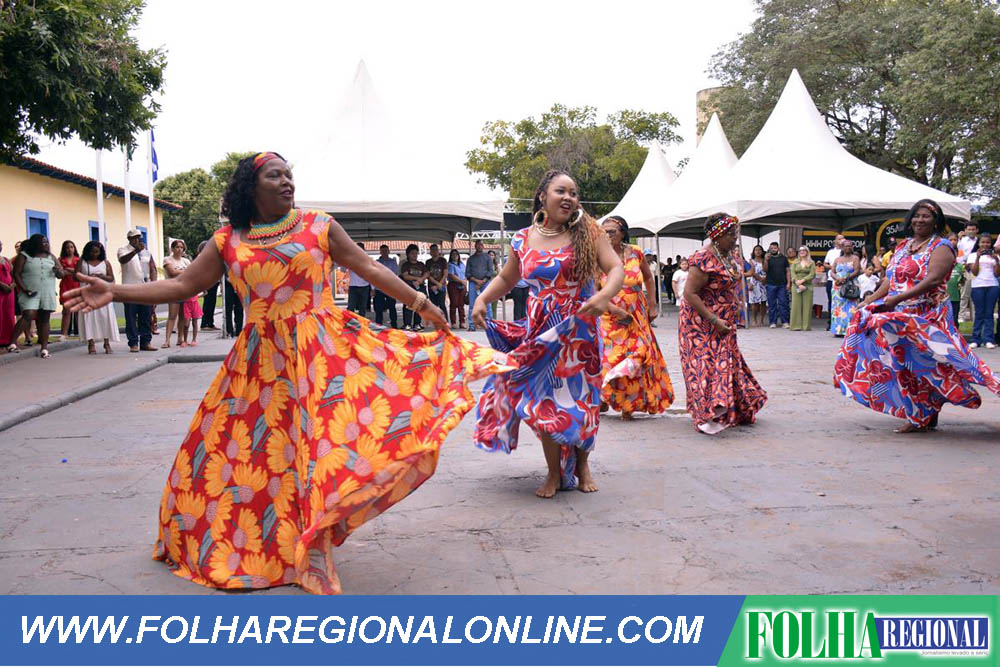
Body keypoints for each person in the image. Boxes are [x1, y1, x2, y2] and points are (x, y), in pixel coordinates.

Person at [65, 151, 510, 594]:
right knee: (253, 456)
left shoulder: (318, 225)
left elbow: (369, 266)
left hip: (321, 356)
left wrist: (421, 303)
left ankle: (314, 543)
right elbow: (183, 285)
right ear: (251, 187)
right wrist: (116, 291)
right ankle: (262, 542)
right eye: (275, 176)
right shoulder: (227, 241)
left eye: (289, 175)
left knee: (318, 450)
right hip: (258, 365)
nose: (286, 182)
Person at [472, 169, 624, 498]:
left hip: (580, 331)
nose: (568, 197)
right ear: (543, 196)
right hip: (540, 331)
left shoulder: (589, 231)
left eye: (573, 193)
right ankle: (554, 472)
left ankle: (583, 465)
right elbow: (508, 279)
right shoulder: (522, 238)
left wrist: (604, 296)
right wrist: (483, 298)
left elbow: (615, 267)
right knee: (544, 401)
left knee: (582, 400)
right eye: (561, 191)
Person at [835, 199, 1000, 433]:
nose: (920, 220)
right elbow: (891, 279)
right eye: (916, 215)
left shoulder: (941, 246)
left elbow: (933, 280)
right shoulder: (904, 246)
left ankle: (929, 410)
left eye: (926, 216)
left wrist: (896, 300)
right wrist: (870, 300)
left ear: (936, 221)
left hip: (928, 315)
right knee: (903, 364)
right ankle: (920, 414)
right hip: (901, 313)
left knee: (933, 363)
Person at [678, 213, 767, 434]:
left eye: (735, 234)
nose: (734, 238)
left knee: (726, 363)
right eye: (730, 235)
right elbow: (690, 293)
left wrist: (734, 303)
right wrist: (713, 319)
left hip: (724, 320)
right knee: (704, 366)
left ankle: (728, 408)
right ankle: (708, 412)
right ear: (717, 236)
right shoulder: (702, 258)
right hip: (700, 323)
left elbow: (728, 283)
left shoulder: (729, 256)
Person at [598, 216, 673, 420]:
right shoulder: (598, 255)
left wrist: (653, 303)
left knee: (637, 356)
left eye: (612, 231)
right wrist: (615, 310)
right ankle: (606, 397)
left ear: (623, 232)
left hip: (636, 315)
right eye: (604, 231)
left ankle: (628, 404)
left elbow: (648, 277)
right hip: (609, 317)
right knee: (611, 359)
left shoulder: (635, 252)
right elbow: (593, 291)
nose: (607, 235)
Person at [10, 234, 64, 358]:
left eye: (47, 242)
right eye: (43, 242)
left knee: (45, 317)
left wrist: (58, 271)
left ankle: (44, 348)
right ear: (35, 243)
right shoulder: (24, 256)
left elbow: (61, 274)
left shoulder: (51, 257)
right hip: (29, 291)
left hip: (47, 291)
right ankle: (12, 342)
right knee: (28, 314)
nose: (46, 244)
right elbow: (16, 273)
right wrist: (24, 288)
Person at [75, 241, 119, 354]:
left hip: (102, 293)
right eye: (92, 252)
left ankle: (106, 343)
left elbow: (111, 278)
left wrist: (101, 276)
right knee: (88, 317)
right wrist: (87, 277)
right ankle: (91, 343)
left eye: (97, 252)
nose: (94, 254)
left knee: (105, 317)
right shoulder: (82, 262)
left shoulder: (105, 263)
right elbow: (76, 276)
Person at [118, 229, 157, 353]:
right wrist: (135, 251)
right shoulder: (123, 250)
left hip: (145, 288)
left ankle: (146, 342)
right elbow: (123, 260)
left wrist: (154, 284)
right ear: (129, 239)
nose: (137, 240)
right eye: (134, 238)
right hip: (130, 288)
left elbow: (152, 268)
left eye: (139, 237)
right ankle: (133, 343)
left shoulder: (146, 252)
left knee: (145, 316)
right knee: (131, 317)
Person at [965, 233, 1000, 349]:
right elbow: (974, 272)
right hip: (978, 286)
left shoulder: (995, 256)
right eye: (983, 242)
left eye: (988, 242)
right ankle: (976, 339)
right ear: (978, 243)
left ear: (991, 244)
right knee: (979, 313)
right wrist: (978, 257)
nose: (985, 244)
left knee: (989, 314)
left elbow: (997, 274)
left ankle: (989, 340)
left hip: (992, 286)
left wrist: (997, 261)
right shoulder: (972, 255)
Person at [162, 239, 191, 348]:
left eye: (181, 247)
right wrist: (186, 272)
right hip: (173, 290)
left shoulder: (186, 261)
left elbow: (192, 273)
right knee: (172, 315)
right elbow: (172, 272)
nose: (179, 249)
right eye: (177, 247)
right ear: (172, 248)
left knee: (183, 316)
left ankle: (180, 338)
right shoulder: (168, 259)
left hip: (184, 290)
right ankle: (167, 340)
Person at [830, 240, 862, 336]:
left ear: (852, 247)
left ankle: (850, 330)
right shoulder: (837, 259)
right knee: (838, 308)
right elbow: (832, 272)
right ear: (842, 248)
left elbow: (857, 270)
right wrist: (837, 278)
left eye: (849, 246)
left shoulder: (855, 258)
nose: (847, 248)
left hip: (851, 285)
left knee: (851, 307)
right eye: (846, 246)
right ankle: (838, 330)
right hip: (838, 286)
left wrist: (845, 278)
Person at [466, 240, 493, 331]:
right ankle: (471, 325)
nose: (479, 246)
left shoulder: (488, 258)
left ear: (483, 246)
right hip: (473, 283)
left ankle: (489, 325)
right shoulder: (470, 259)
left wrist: (482, 282)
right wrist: (476, 281)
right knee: (472, 305)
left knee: (487, 303)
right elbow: (467, 273)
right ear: (475, 246)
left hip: (485, 282)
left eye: (481, 244)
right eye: (478, 245)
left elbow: (490, 271)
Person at [399, 244, 427, 331]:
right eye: (412, 253)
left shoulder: (421, 264)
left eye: (416, 253)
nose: (414, 255)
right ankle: (407, 324)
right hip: (409, 287)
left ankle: (417, 323)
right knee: (408, 306)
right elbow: (405, 276)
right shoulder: (405, 265)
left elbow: (427, 273)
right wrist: (417, 278)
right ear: (408, 254)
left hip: (420, 287)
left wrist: (420, 280)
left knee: (419, 306)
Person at [763, 241, 790, 328]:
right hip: (770, 284)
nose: (773, 249)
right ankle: (772, 322)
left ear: (778, 248)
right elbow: (765, 270)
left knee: (783, 303)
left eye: (775, 248)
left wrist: (788, 283)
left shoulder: (784, 258)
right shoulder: (767, 258)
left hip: (782, 284)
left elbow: (788, 271)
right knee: (772, 304)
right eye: (771, 248)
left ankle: (785, 322)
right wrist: (766, 260)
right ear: (769, 249)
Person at [955, 221, 978, 322]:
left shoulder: (979, 241)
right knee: (964, 294)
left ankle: (975, 317)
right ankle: (961, 316)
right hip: (966, 269)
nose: (971, 231)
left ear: (977, 230)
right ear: (965, 230)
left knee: (975, 294)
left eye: (973, 229)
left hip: (977, 269)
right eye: (969, 229)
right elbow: (959, 255)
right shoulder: (962, 241)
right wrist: (962, 265)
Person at [789, 246, 816, 331]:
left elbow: (812, 274)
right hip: (796, 285)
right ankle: (796, 326)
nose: (802, 252)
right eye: (800, 250)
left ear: (807, 252)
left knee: (807, 305)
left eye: (804, 250)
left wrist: (803, 280)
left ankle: (805, 326)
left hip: (807, 285)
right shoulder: (795, 262)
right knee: (796, 305)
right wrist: (797, 282)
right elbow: (792, 273)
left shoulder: (811, 262)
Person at [372, 244, 399, 328]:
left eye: (386, 251)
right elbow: (373, 275)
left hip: (390, 288)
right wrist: (372, 288)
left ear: (389, 251)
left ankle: (394, 325)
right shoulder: (376, 262)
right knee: (378, 308)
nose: (384, 252)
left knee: (392, 307)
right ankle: (378, 325)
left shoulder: (393, 262)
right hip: (379, 288)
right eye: (383, 251)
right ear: (380, 252)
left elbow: (395, 274)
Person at [58, 240, 80, 339]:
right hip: (65, 287)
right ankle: (64, 333)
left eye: (71, 247)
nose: (69, 249)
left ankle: (80, 332)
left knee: (78, 311)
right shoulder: (60, 260)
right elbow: (60, 273)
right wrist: (72, 271)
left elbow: (79, 272)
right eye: (67, 247)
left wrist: (68, 270)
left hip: (77, 286)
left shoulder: (78, 260)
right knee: (66, 311)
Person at [823, 234, 844, 329]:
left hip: (843, 279)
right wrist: (833, 267)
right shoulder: (831, 252)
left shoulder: (845, 252)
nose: (841, 240)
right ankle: (831, 321)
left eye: (843, 238)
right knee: (831, 301)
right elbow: (825, 264)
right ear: (835, 241)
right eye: (839, 239)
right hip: (832, 279)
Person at [198, 239, 219, 331]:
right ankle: (204, 323)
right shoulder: (202, 257)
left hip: (214, 282)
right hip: (207, 282)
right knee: (208, 303)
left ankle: (210, 323)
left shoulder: (210, 256)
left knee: (212, 303)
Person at [425, 243, 448, 324]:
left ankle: (445, 321)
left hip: (442, 286)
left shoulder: (443, 260)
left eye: (436, 250)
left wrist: (439, 284)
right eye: (432, 250)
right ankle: (436, 322)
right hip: (432, 286)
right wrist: (436, 284)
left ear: (438, 251)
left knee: (442, 304)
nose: (434, 252)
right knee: (434, 305)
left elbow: (445, 273)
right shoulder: (428, 262)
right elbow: (428, 275)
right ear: (430, 252)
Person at [0, 241, 16, 352]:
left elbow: (13, 273)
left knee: (8, 314)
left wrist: (12, 285)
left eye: (0, 245)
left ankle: (8, 340)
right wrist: (2, 285)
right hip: (1, 290)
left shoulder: (5, 259)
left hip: (9, 292)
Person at [746, 245, 767, 326]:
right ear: (754, 252)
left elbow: (768, 270)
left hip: (764, 282)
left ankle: (762, 320)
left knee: (763, 302)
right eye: (756, 250)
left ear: (762, 251)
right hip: (754, 283)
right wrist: (750, 282)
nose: (758, 251)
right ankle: (754, 319)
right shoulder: (751, 261)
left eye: (759, 250)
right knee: (754, 302)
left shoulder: (765, 260)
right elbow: (750, 272)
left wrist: (764, 279)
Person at [446, 249, 468, 327]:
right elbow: (451, 275)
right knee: (454, 303)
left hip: (462, 285)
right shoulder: (450, 265)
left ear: (458, 256)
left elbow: (466, 273)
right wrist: (461, 281)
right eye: (453, 254)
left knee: (461, 304)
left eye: (456, 254)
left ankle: (462, 321)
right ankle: (453, 322)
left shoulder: (462, 264)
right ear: (451, 256)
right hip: (453, 285)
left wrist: (465, 281)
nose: (455, 256)